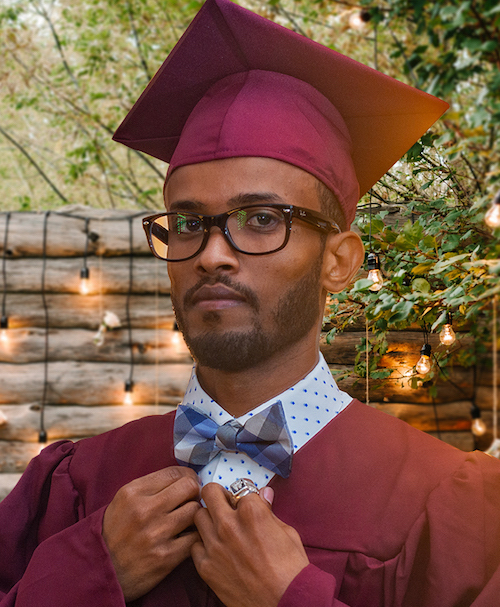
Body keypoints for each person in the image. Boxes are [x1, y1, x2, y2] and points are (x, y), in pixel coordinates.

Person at [1, 0, 500, 606]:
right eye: (188, 223)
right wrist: (81, 579)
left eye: (262, 219)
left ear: (339, 261)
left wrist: (291, 599)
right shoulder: (77, 486)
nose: (212, 253)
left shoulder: (449, 506)